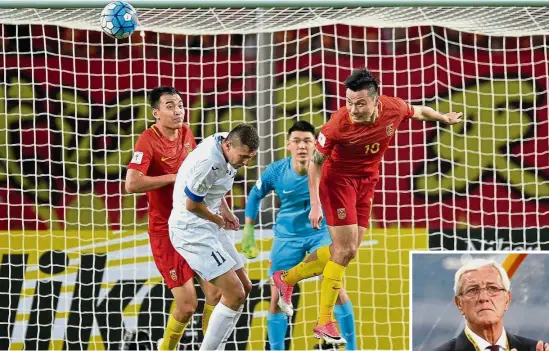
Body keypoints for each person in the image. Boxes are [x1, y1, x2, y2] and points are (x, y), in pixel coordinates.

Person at [271, 67, 463, 344]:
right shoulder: (337, 124)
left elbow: (419, 110)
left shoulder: (393, 108)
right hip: (338, 182)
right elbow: (315, 164)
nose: (353, 108)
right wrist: (315, 204)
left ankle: (287, 277)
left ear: (376, 100)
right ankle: (324, 320)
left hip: (367, 182)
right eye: (349, 101)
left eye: (359, 103)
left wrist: (442, 117)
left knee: (349, 252)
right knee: (343, 250)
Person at [241, 120, 357, 350]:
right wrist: (248, 231)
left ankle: (352, 348)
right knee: (276, 299)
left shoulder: (329, 168)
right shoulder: (276, 171)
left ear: (316, 145)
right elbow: (254, 196)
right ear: (288, 145)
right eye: (296, 141)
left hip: (320, 233)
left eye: (307, 141)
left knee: (336, 288)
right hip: (287, 236)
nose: (302, 146)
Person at [125, 86, 220, 351]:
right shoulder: (147, 140)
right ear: (156, 113)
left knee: (216, 293)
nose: (178, 110)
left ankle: (208, 348)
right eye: (170, 106)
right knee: (188, 305)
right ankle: (166, 348)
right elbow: (131, 184)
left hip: (193, 226)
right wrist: (173, 178)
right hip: (165, 231)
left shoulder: (187, 132)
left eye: (180, 104)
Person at [168, 123, 259, 350]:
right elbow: (191, 204)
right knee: (234, 293)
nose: (245, 163)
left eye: (250, 158)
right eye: (243, 157)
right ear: (228, 145)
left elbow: (213, 188)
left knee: (245, 287)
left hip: (208, 224)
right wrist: (218, 219)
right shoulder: (210, 162)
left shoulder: (225, 142)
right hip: (191, 230)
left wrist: (225, 211)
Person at [430, 259, 548, 351]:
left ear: (507, 299)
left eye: (492, 288)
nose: (483, 298)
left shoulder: (535, 349)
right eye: (473, 290)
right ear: (459, 303)